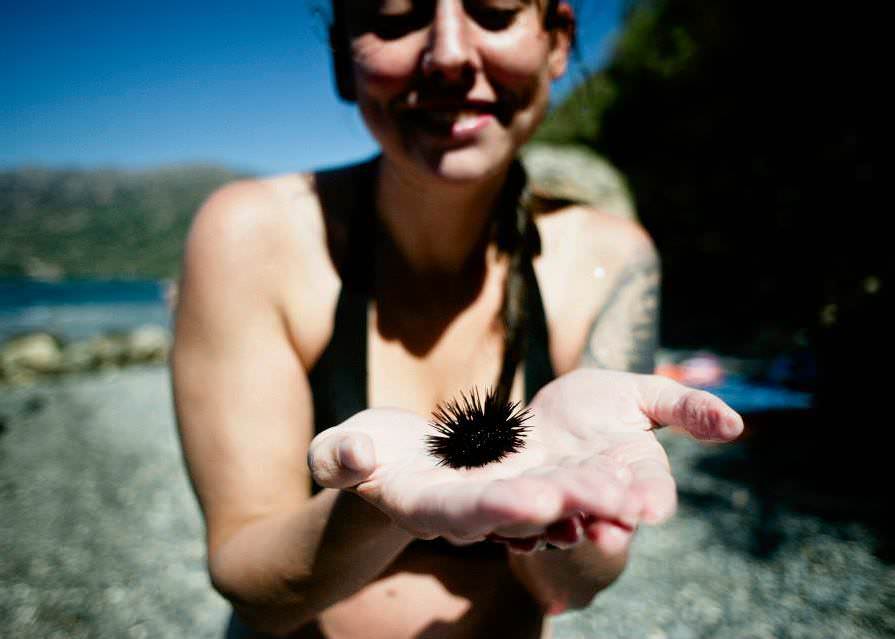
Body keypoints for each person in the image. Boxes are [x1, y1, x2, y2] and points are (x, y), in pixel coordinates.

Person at [171, 2, 743, 637]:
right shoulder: (250, 237)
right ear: (342, 60)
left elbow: (566, 588)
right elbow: (255, 590)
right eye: (393, 17)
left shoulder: (612, 261)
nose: (448, 54)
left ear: (558, 42)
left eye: (495, 12)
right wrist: (381, 503)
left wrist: (583, 511)